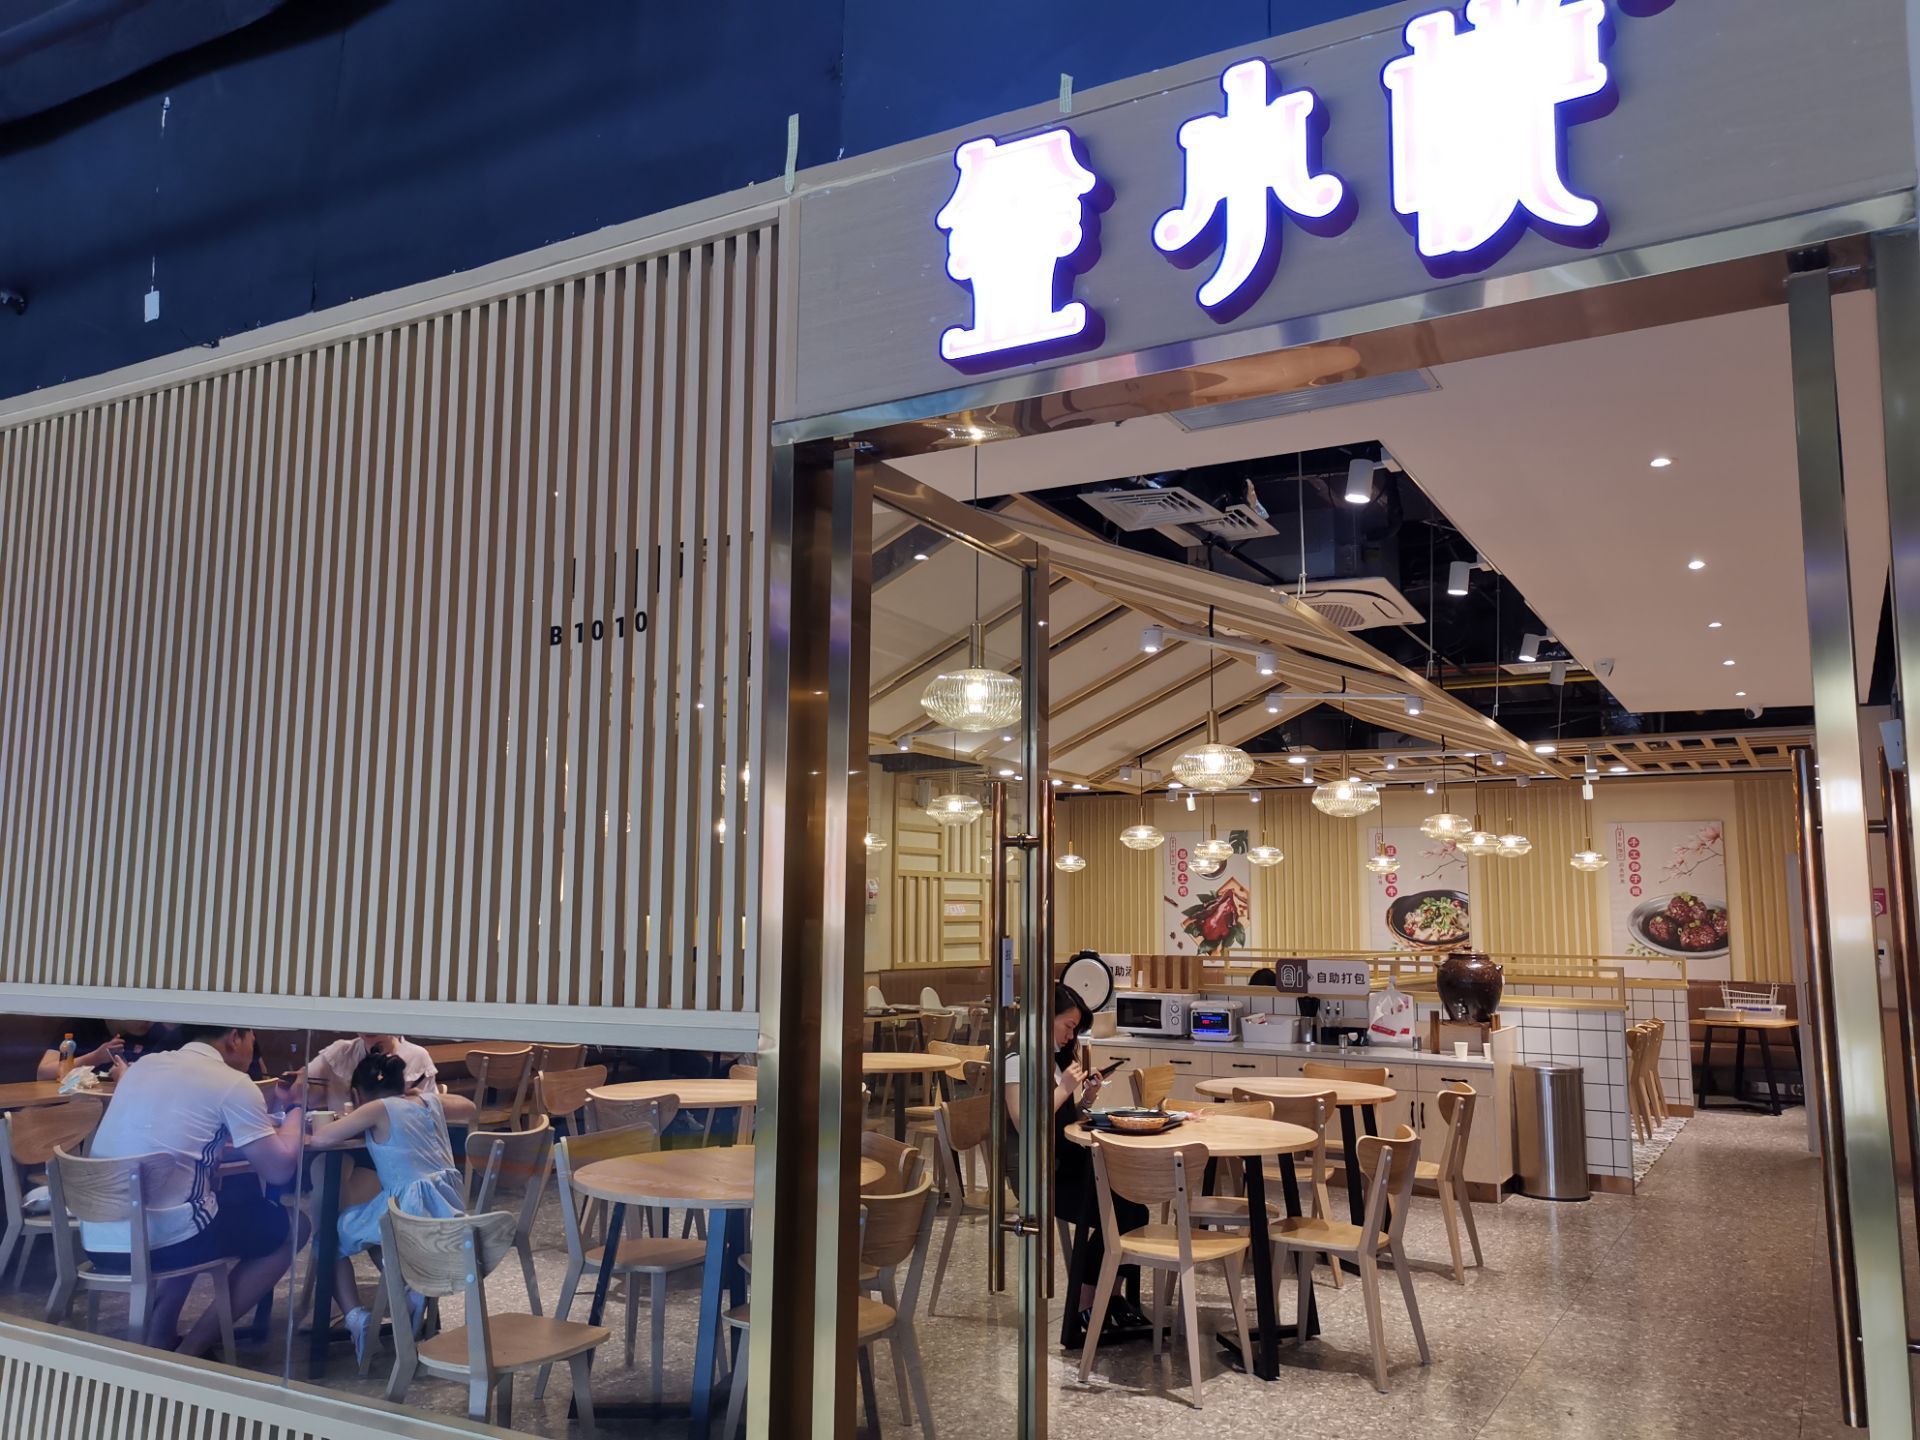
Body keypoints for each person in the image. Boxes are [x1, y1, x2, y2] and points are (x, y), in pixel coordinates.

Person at [81, 1023, 309, 1357]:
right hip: (162, 1243)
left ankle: (160, 1338)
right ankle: (191, 1350)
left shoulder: (143, 1067)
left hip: (99, 1239)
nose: (252, 1048)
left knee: (198, 1205)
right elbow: (279, 1170)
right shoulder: (232, 1083)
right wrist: (295, 1107)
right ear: (235, 1038)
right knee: (295, 1226)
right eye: (252, 1038)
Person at [308, 1051, 477, 1365]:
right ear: (404, 1085)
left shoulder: (376, 1108)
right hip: (446, 1211)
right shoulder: (428, 1102)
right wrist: (418, 1094)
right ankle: (409, 1288)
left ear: (357, 1094)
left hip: (406, 1214)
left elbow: (320, 1140)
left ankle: (356, 1317)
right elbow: (469, 1107)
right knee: (376, 1233)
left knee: (327, 1239)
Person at [1003, 984, 1148, 1343]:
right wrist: (1065, 1087)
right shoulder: (1017, 1061)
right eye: (1067, 1026)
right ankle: (1086, 1305)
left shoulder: (1056, 1058)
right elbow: (1026, 1124)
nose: (1071, 1035)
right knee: (1115, 1213)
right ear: (1043, 1019)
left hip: (1067, 1161)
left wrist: (1086, 1098)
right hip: (1039, 1173)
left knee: (1136, 1207)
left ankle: (1110, 1297)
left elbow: (1065, 1119)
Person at [305, 1034, 440, 1111]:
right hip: (344, 1142)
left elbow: (433, 1111)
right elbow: (302, 1091)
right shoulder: (340, 1052)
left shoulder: (418, 1056)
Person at [35, 1019, 183, 1081]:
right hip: (73, 1108)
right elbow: (43, 1073)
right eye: (142, 1010)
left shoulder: (157, 1033)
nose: (149, 1020)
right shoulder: (81, 1026)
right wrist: (95, 1058)